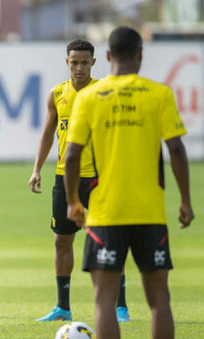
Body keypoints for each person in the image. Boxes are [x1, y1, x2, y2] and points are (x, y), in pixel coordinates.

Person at [64, 26, 193, 339]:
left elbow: (71, 156)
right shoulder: (159, 94)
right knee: (159, 300)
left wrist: (73, 201)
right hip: (151, 213)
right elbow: (177, 149)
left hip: (105, 213)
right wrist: (185, 200)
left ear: (106, 58)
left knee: (104, 300)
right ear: (140, 55)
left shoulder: (89, 97)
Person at [29, 39, 130, 323]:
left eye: (85, 62)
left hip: (99, 178)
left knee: (109, 240)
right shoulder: (57, 94)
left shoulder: (104, 92)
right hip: (65, 178)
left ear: (94, 63)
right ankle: (63, 307)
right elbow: (48, 133)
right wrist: (37, 168)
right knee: (62, 241)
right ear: (67, 63)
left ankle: (120, 306)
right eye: (75, 62)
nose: (80, 67)